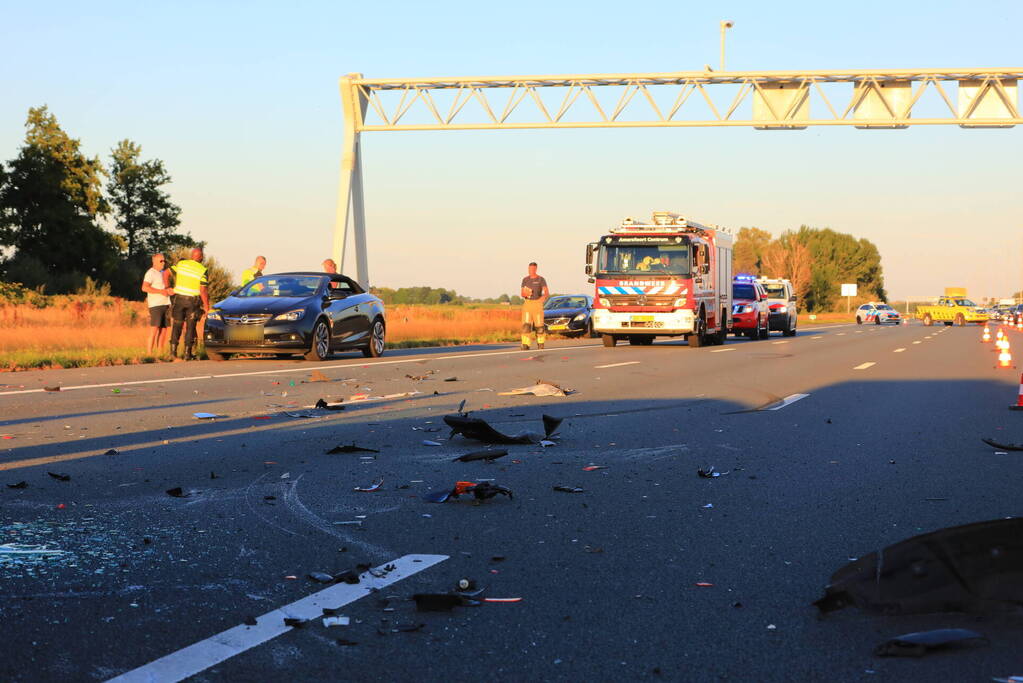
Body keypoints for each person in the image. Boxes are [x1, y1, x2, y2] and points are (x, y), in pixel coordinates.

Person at [169, 247, 210, 361]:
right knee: (190, 327)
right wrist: (207, 307)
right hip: (192, 301)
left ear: (192, 255)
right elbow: (203, 290)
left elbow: (166, 273)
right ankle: (187, 353)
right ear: (201, 257)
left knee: (177, 325)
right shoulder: (202, 269)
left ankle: (173, 352)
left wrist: (168, 288)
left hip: (179, 299)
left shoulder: (181, 264)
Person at [141, 253, 173, 354]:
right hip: (156, 305)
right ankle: (149, 354)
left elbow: (165, 288)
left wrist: (169, 291)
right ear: (154, 261)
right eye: (161, 261)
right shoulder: (150, 273)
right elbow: (144, 287)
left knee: (164, 330)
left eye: (164, 261)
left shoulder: (163, 273)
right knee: (154, 329)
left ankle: (160, 353)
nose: (163, 263)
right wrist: (160, 292)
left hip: (166, 304)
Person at [520, 262, 549, 351]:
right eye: (529, 269)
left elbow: (546, 292)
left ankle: (540, 343)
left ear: (536, 269)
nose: (530, 271)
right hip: (528, 304)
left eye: (532, 269)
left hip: (537, 304)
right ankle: (525, 344)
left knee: (539, 326)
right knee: (526, 326)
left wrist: (543, 298)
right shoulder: (525, 279)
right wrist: (525, 293)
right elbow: (522, 293)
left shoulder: (541, 279)